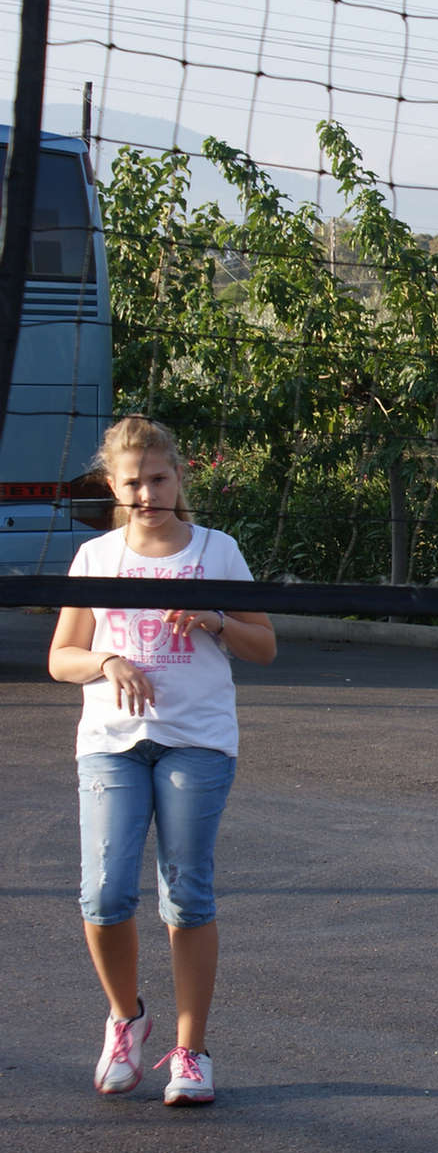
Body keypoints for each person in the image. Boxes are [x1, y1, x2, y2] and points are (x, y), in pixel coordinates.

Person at [48, 415, 277, 1105]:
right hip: (111, 742)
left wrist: (216, 620)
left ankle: (191, 1052)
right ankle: (126, 1020)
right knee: (105, 894)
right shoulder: (96, 558)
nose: (146, 493)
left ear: (179, 477)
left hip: (196, 740)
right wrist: (107, 661)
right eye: (132, 483)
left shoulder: (216, 551)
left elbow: (264, 646)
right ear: (113, 488)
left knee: (186, 893)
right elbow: (62, 657)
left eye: (157, 478)